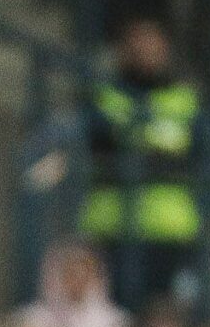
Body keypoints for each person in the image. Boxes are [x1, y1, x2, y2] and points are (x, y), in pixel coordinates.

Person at [82, 19, 200, 305]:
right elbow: (101, 146)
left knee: (165, 317)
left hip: (170, 229)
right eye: (137, 42)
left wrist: (136, 142)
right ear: (123, 49)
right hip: (112, 227)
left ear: (165, 48)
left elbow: (198, 155)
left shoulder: (185, 99)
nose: (145, 50)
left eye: (152, 42)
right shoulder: (104, 96)